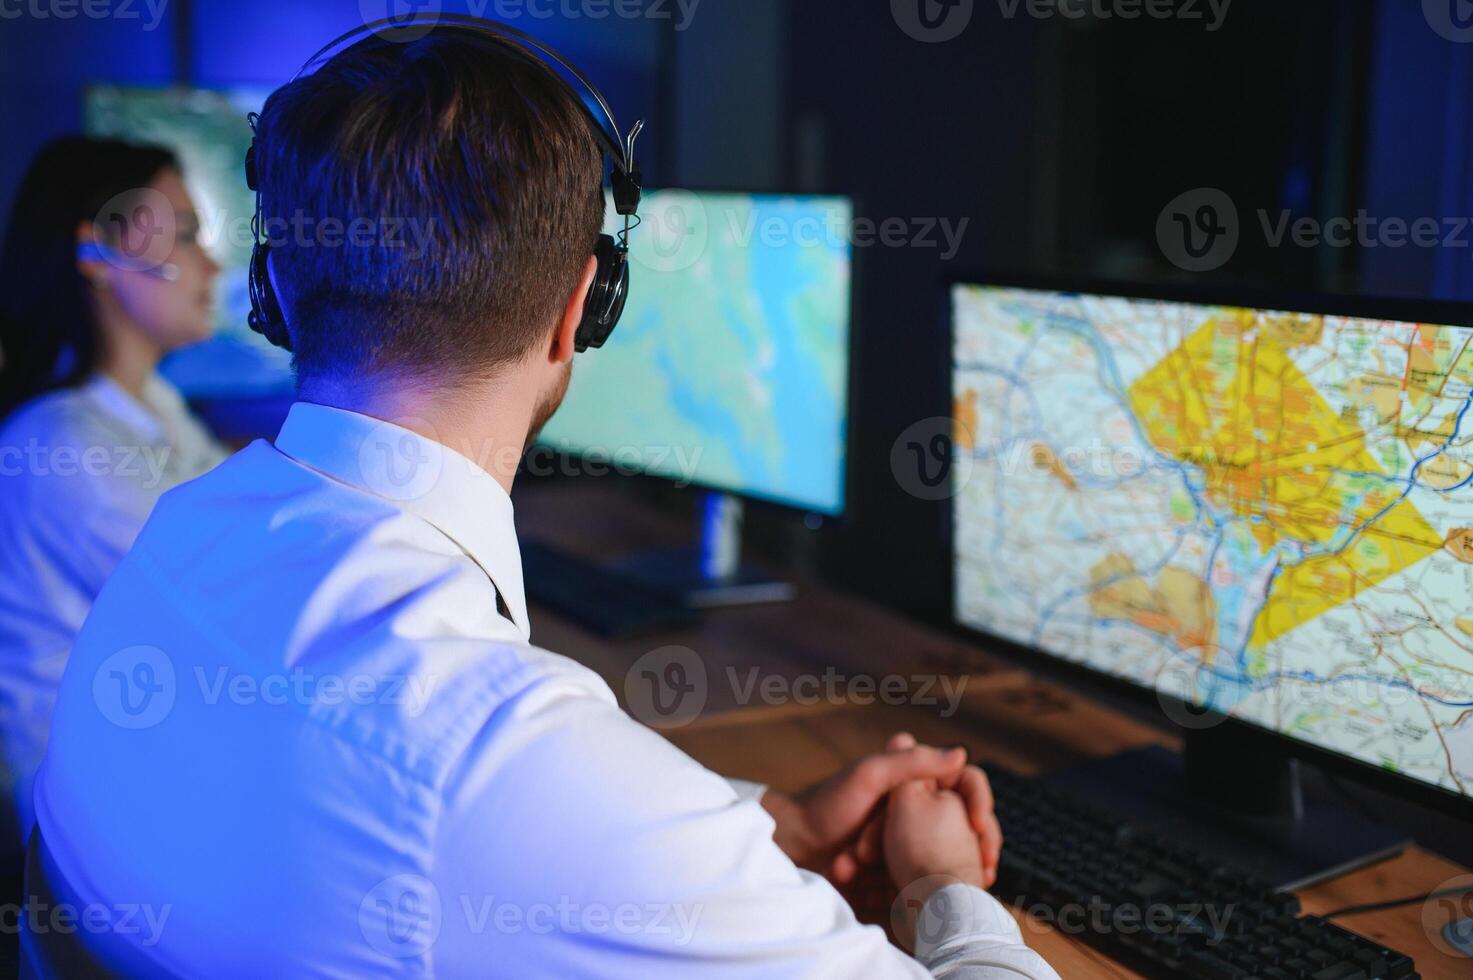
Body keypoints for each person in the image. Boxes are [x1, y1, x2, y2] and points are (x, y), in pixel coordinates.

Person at [29, 28, 1059, 978]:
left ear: (277, 288)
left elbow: (525, 835)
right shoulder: (493, 753)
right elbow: (507, 809)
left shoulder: (181, 537)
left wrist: (764, 822)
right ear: (583, 310)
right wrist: (940, 886)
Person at [0, 138, 227, 863]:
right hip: (94, 840)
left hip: (159, 774)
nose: (211, 266)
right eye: (186, 236)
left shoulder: (150, 404)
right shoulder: (60, 443)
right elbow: (230, 596)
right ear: (98, 253)